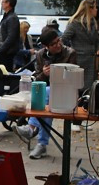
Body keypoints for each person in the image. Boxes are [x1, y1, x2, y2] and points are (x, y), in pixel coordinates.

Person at [16, 26, 78, 159]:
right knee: (46, 97)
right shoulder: (40, 55)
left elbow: (74, 80)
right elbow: (37, 80)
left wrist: (59, 74)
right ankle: (41, 144)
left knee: (48, 92)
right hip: (47, 96)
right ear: (46, 47)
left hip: (66, 94)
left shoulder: (70, 53)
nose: (58, 45)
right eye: (53, 44)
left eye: (58, 40)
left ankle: (31, 127)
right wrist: (44, 74)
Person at [62, 0, 99, 95]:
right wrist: (70, 52)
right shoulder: (75, 23)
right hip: (79, 61)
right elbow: (63, 38)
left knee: (89, 89)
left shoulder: (93, 23)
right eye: (95, 7)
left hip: (91, 61)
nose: (97, 10)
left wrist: (98, 49)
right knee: (78, 88)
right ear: (90, 9)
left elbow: (96, 40)